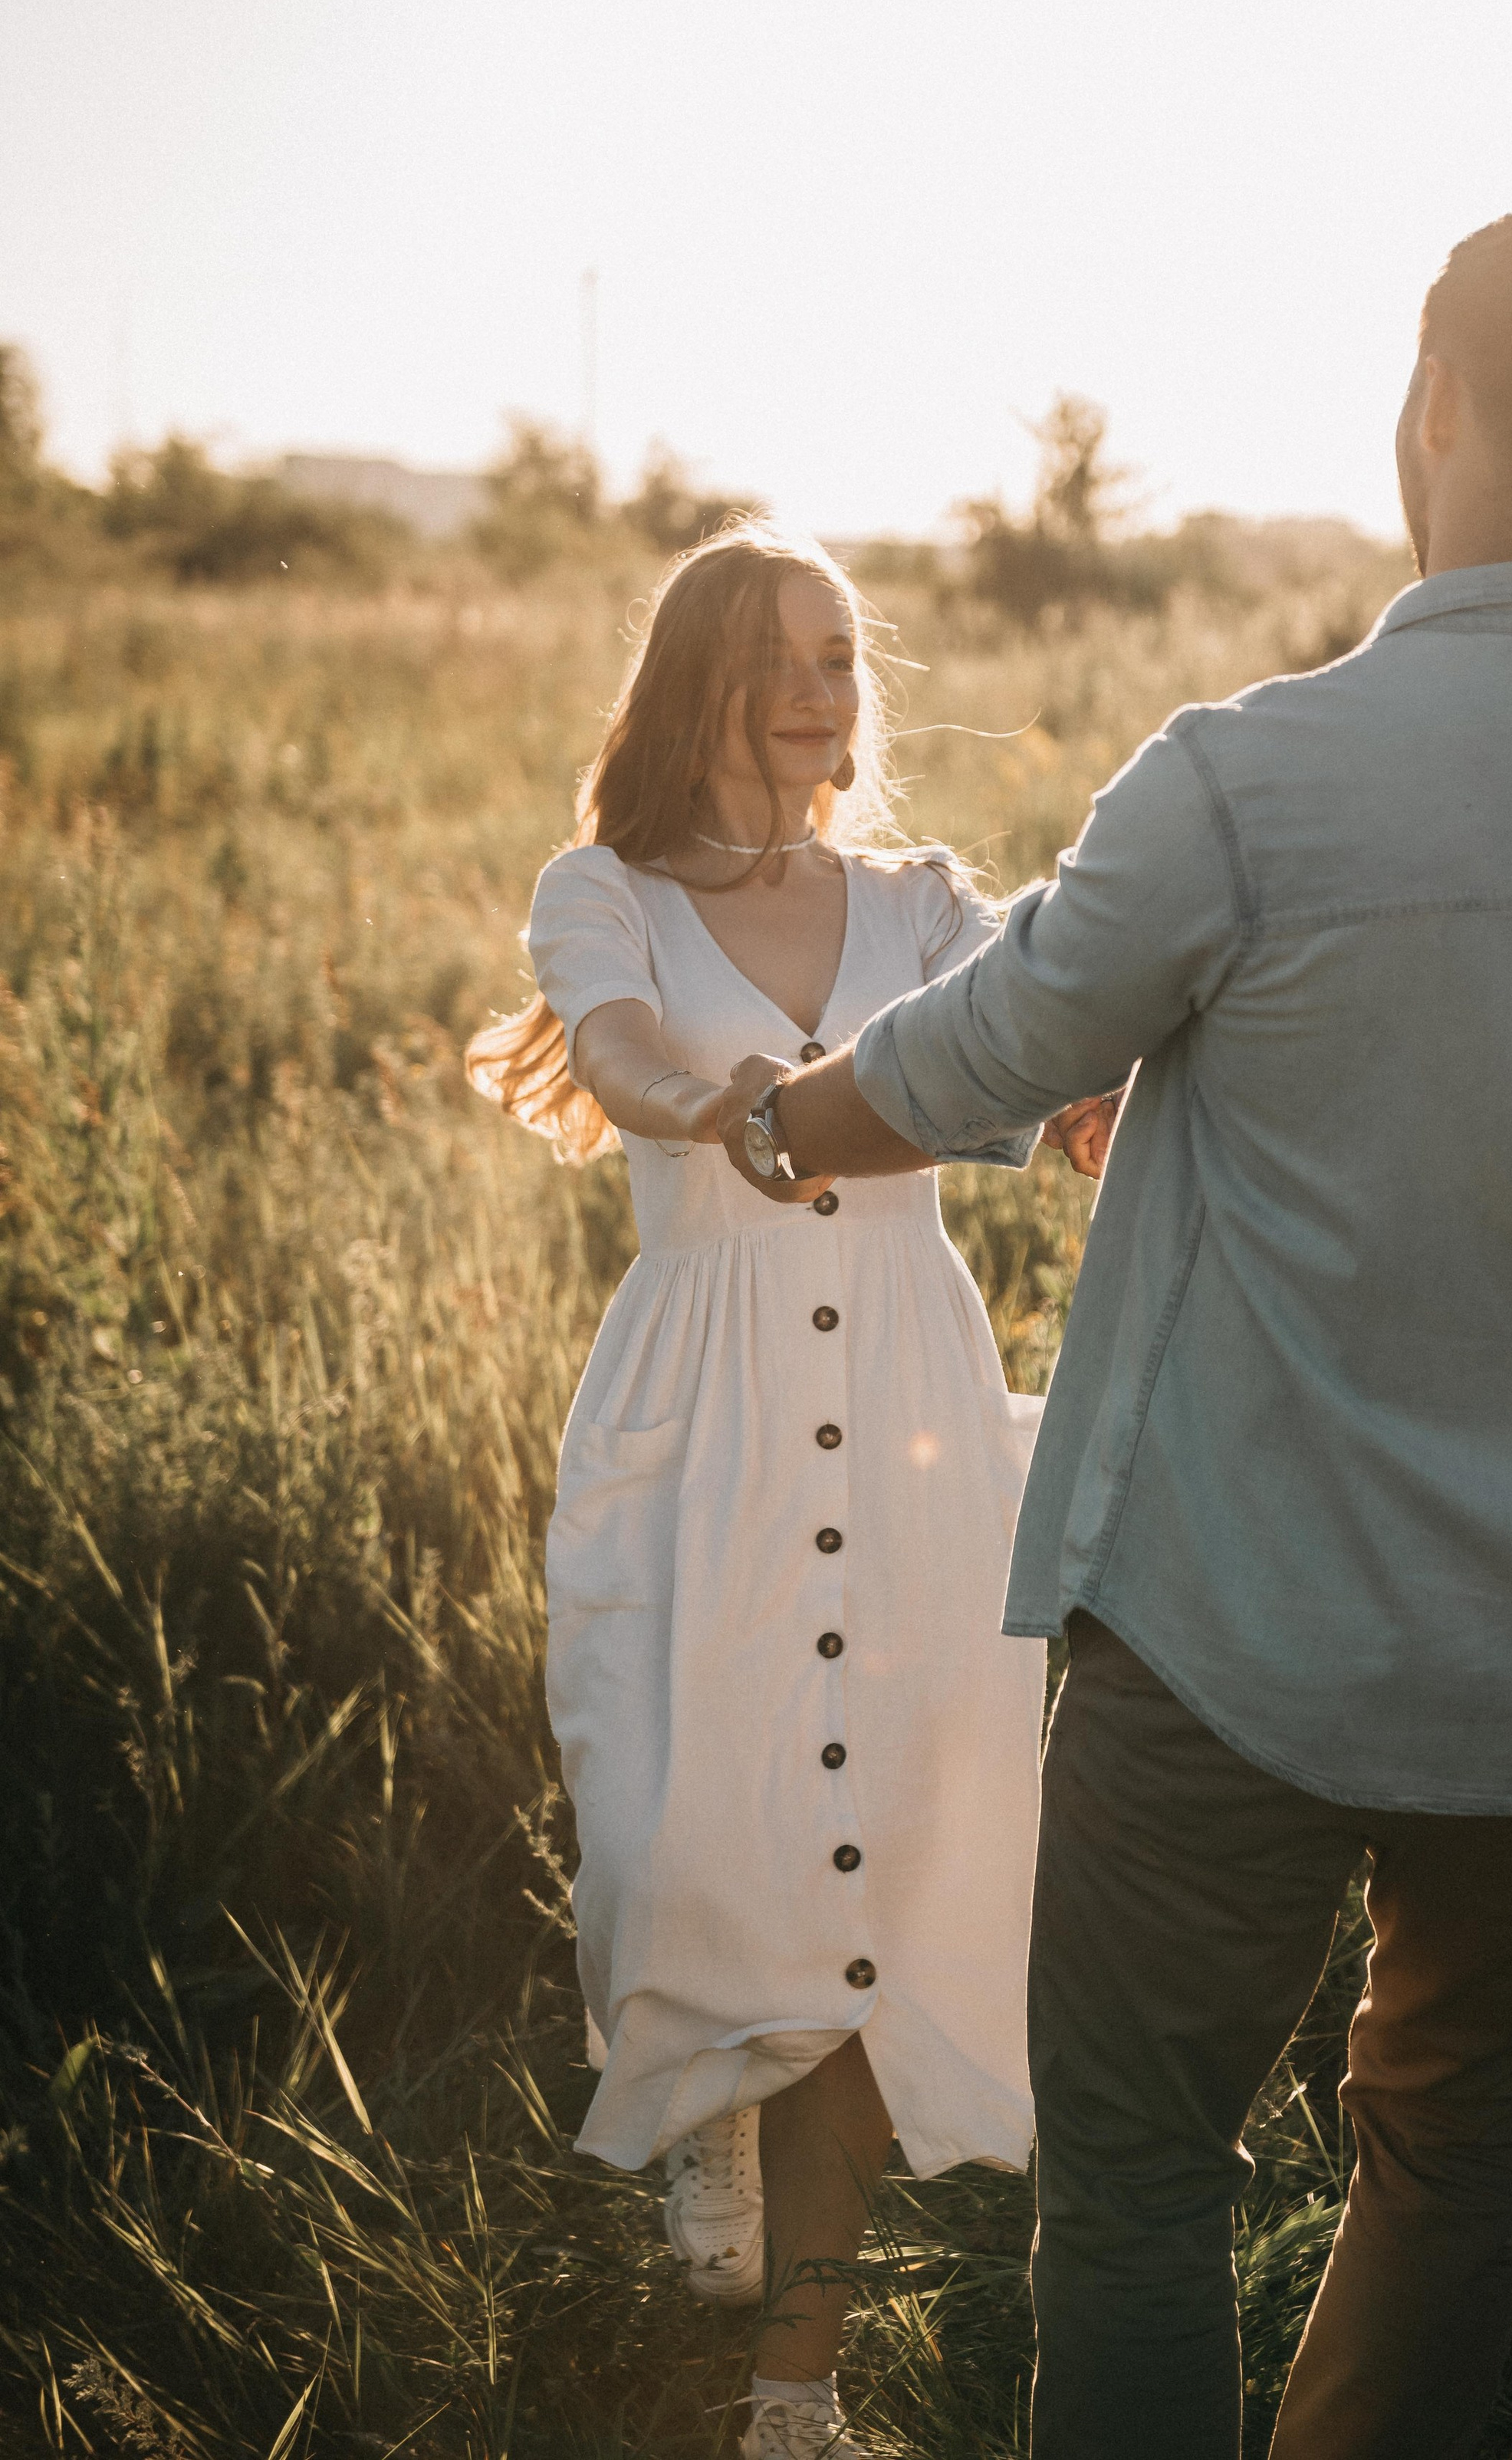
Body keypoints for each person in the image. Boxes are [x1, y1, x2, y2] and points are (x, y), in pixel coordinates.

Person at [713, 199, 1512, 2459]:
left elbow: (982, 1049)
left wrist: (775, 1121)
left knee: (1135, 2179)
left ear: (1427, 400)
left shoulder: (1254, 775)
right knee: (1455, 2179)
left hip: (1239, 1642)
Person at [467, 528, 1099, 2460]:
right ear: (695, 683)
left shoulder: (923, 901)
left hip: (905, 1405)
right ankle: (699, 2093)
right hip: (706, 1410)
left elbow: (1038, 1060)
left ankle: (789, 2397)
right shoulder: (608, 892)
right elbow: (634, 1058)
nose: (822, 687)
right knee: (681, 1829)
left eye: (840, 651)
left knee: (875, 1873)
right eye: (776, 655)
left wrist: (1100, 1116)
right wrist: (743, 1109)